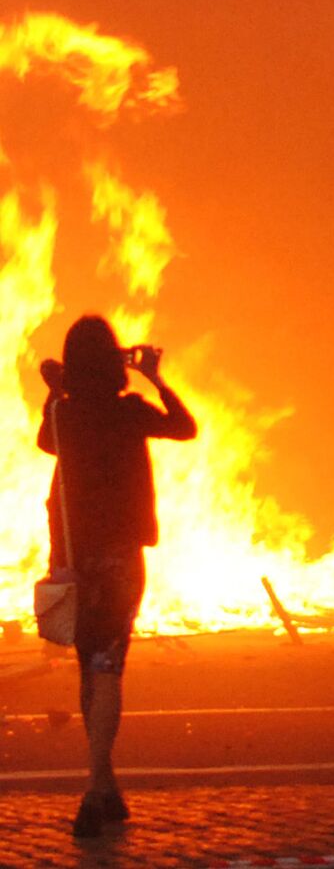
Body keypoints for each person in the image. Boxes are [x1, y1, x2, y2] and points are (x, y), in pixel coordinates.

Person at [37, 315, 197, 839]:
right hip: (120, 558)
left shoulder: (64, 414)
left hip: (76, 560)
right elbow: (185, 426)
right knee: (108, 668)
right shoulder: (129, 412)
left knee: (90, 670)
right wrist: (155, 377)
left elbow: (47, 440)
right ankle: (94, 789)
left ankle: (106, 786)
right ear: (114, 362)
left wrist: (58, 388)